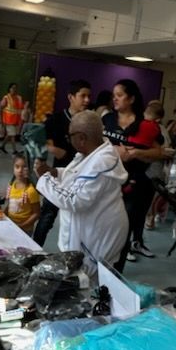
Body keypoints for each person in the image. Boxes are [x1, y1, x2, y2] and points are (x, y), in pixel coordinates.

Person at [35, 110, 128, 274]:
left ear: (82, 138)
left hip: (95, 241)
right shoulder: (91, 153)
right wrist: (54, 172)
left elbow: (74, 200)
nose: (69, 140)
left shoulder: (102, 162)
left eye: (70, 136)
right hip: (88, 235)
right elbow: (75, 176)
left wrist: (45, 179)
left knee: (87, 286)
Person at [102, 79, 165, 264]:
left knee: (123, 230)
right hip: (107, 180)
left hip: (133, 184)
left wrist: (137, 152)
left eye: (119, 95)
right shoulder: (108, 119)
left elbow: (158, 152)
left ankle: (116, 271)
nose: (115, 99)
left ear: (131, 99)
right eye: (114, 96)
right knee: (103, 228)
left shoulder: (145, 125)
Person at [32, 78, 92, 247]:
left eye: (89, 96)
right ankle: (35, 251)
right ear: (71, 97)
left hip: (84, 177)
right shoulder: (57, 119)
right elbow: (36, 138)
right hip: (59, 175)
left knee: (79, 222)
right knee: (47, 217)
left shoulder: (90, 121)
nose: (87, 100)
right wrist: (53, 149)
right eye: (83, 96)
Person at [144, 100, 172, 231]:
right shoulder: (142, 125)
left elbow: (166, 151)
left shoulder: (161, 131)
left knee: (152, 195)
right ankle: (148, 217)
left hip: (155, 167)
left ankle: (150, 217)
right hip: (145, 167)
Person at [4, 153, 40, 236]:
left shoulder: (31, 191)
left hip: (25, 230)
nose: (20, 170)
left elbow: (36, 213)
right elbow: (10, 205)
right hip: (11, 226)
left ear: (30, 169)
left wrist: (21, 226)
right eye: (17, 167)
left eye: (24, 167)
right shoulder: (12, 186)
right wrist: (3, 215)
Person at [0, 82, 25, 155]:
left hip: (15, 120)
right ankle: (14, 151)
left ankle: (2, 146)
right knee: (13, 135)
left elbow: (21, 108)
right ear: (9, 89)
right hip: (8, 120)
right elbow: (1, 108)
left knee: (10, 134)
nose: (14, 89)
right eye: (12, 88)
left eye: (15, 88)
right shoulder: (6, 98)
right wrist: (1, 120)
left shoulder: (18, 98)